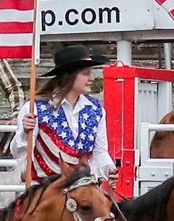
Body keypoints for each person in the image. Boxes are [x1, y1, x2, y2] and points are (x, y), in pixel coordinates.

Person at [13, 44, 115, 182]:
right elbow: (18, 152)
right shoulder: (35, 108)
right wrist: (25, 133)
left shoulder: (96, 110)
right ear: (70, 75)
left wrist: (109, 169)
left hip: (84, 187)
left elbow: (100, 151)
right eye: (85, 73)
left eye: (90, 73)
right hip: (48, 188)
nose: (91, 78)